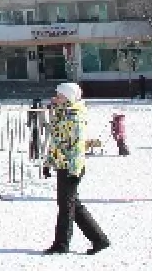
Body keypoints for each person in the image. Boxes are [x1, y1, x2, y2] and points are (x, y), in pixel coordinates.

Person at [42, 82, 109, 255]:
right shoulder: (62, 113)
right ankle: (99, 239)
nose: (55, 97)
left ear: (69, 97)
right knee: (72, 205)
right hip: (63, 164)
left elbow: (78, 147)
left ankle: (61, 244)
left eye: (59, 95)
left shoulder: (75, 116)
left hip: (71, 167)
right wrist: (49, 163)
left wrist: (74, 170)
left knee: (66, 206)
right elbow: (56, 142)